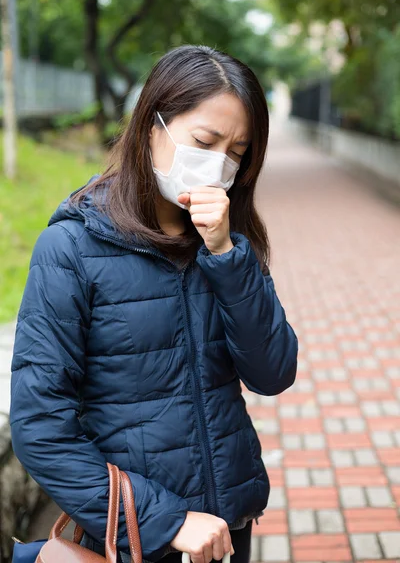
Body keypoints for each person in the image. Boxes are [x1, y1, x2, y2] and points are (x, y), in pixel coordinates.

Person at [10, 45, 298, 563]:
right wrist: (166, 521)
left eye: (237, 151)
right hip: (131, 538)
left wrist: (226, 256)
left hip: (226, 530)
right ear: (151, 126)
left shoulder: (230, 244)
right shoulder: (72, 248)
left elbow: (273, 372)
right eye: (204, 141)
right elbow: (41, 425)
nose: (219, 163)